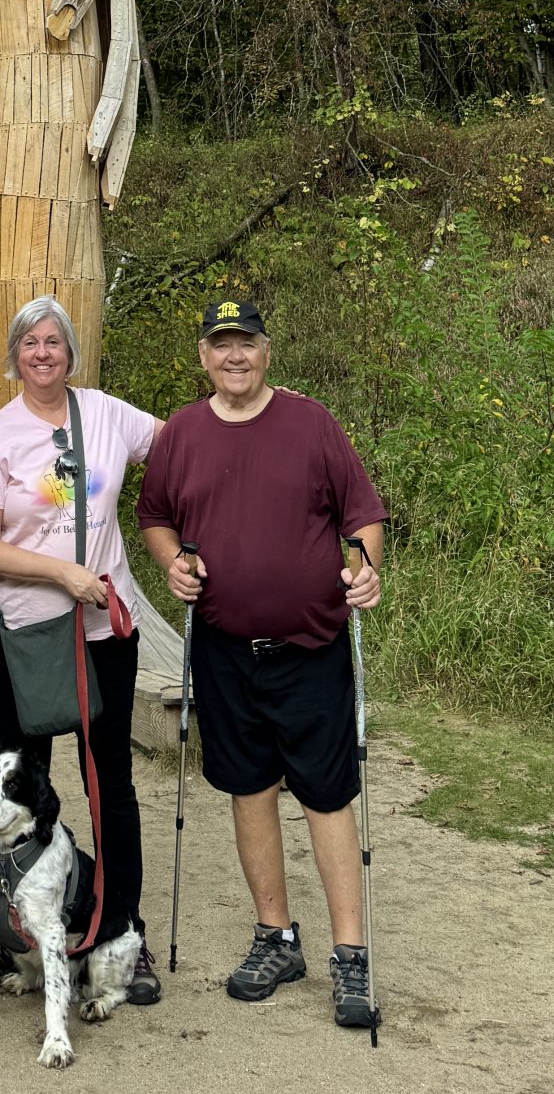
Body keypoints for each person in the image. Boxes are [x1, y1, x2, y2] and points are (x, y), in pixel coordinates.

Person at [136, 293, 386, 1027]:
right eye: (220, 345)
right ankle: (275, 935)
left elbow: (362, 514)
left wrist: (367, 566)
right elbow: (155, 517)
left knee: (325, 792)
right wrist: (172, 563)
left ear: (267, 350)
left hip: (310, 645)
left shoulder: (310, 424)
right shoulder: (182, 432)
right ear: (204, 357)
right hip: (221, 647)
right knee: (247, 787)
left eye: (245, 342)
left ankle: (350, 956)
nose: (233, 356)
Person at [0, 294, 164, 1004]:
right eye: (29, 344)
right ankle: (15, 932)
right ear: (14, 356)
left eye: (54, 342)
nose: (43, 353)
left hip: (103, 632)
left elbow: (181, 448)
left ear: (70, 352)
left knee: (110, 781)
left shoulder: (108, 414)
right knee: (22, 784)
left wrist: (255, 409)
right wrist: (61, 574)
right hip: (25, 634)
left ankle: (119, 932)